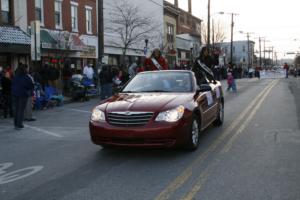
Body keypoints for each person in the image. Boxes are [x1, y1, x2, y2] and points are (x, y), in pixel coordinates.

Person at [11, 64, 34, 130]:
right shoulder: (26, 77)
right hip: (23, 94)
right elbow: (31, 85)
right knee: (21, 110)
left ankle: (15, 124)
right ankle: (19, 124)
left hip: (14, 94)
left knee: (16, 109)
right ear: (25, 69)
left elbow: (12, 84)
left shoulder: (15, 76)